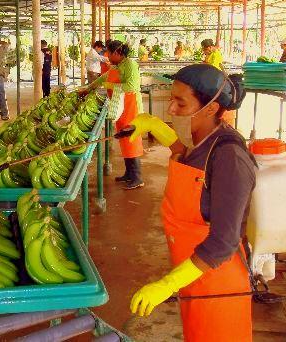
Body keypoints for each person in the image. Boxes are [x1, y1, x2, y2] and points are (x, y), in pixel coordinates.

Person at [129, 64, 255, 341]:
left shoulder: (229, 157)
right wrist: (151, 124)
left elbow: (222, 242)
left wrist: (166, 284)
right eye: (171, 99)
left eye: (180, 103)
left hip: (217, 281)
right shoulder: (202, 139)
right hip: (191, 273)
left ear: (210, 108)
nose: (171, 109)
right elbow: (183, 151)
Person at [82, 40, 144, 190]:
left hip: (131, 106)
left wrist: (109, 86)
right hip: (121, 107)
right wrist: (89, 88)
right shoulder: (118, 65)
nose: (107, 55)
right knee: (124, 139)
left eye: (109, 52)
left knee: (131, 140)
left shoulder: (130, 64)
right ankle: (129, 173)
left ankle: (137, 177)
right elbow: (103, 78)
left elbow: (132, 86)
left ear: (117, 52)